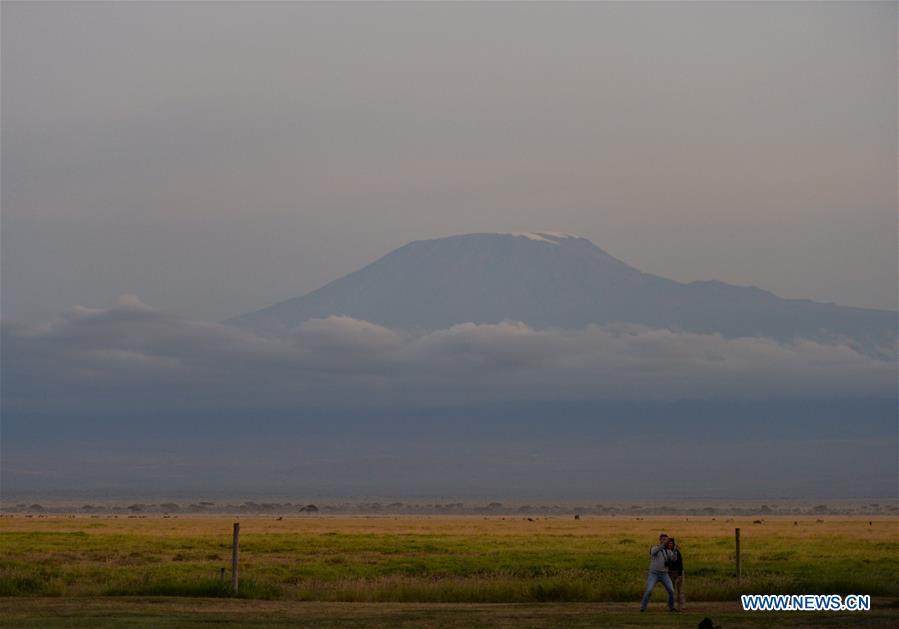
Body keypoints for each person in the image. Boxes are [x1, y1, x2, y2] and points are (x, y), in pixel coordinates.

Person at [639, 533, 677, 612]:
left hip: (664, 574)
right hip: (654, 574)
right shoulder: (655, 547)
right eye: (664, 539)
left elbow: (674, 559)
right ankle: (643, 607)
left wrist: (675, 550)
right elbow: (653, 552)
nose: (666, 541)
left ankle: (671, 607)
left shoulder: (668, 551)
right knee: (649, 590)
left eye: (667, 540)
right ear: (660, 540)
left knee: (671, 590)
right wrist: (663, 545)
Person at [666, 537, 685, 611]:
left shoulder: (677, 552)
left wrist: (680, 574)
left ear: (673, 544)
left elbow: (680, 563)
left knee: (680, 590)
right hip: (670, 573)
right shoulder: (666, 552)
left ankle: (682, 605)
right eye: (669, 543)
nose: (670, 544)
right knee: (671, 590)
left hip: (678, 572)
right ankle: (671, 605)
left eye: (671, 543)